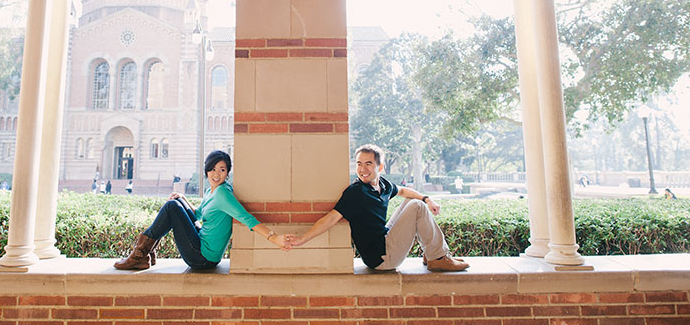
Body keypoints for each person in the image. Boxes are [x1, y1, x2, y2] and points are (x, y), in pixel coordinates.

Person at [287, 144, 468, 272]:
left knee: (413, 202)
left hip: (385, 242)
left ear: (380, 166)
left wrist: (427, 199)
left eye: (368, 164)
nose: (362, 169)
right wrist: (302, 239)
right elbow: (331, 218)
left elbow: (404, 190)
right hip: (382, 258)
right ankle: (438, 257)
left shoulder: (383, 185)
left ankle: (433, 255)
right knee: (417, 207)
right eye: (359, 163)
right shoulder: (355, 193)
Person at [115, 150, 291, 270]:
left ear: (227, 172)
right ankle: (145, 253)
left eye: (222, 170)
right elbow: (197, 215)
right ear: (206, 170)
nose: (216, 174)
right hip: (201, 246)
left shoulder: (223, 194)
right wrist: (183, 198)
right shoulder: (211, 191)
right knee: (176, 203)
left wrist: (274, 238)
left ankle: (141, 254)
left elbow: (246, 218)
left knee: (171, 206)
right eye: (213, 169)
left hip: (202, 258)